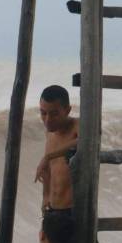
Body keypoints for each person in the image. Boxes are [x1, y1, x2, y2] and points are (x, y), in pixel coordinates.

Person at [35, 85, 78, 215]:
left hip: (72, 211)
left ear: (67, 110)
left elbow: (84, 142)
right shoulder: (49, 134)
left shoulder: (77, 126)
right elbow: (48, 169)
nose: (47, 120)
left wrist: (48, 156)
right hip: (52, 209)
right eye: (43, 113)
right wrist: (45, 196)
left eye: (54, 114)